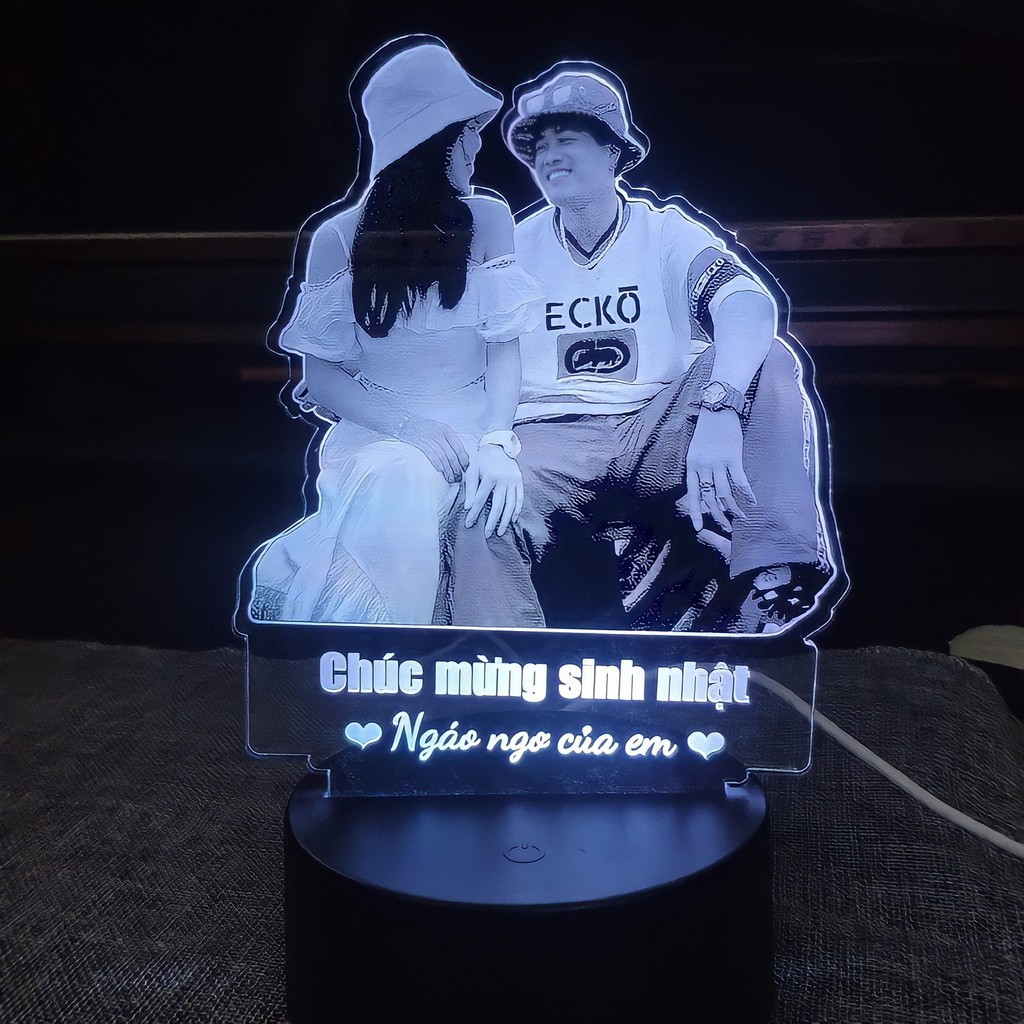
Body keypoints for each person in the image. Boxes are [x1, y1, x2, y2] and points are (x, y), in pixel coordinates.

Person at [465, 63, 841, 634]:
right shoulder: (515, 244)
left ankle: (770, 578)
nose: (549, 156)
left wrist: (719, 409)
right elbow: (475, 357)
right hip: (549, 440)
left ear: (613, 152)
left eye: (567, 139)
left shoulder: (664, 230)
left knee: (768, 359)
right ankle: (498, 658)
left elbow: (746, 304)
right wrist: (489, 446)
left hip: (656, 429)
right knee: (483, 503)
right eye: (539, 147)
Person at [247, 39, 543, 627]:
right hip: (377, 436)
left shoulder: (489, 219)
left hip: (472, 430)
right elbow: (321, 378)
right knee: (399, 474)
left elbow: (504, 353)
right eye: (467, 132)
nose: (478, 146)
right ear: (433, 142)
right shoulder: (336, 237)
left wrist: (495, 441)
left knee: (436, 486)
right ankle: (379, 650)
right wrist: (408, 428)